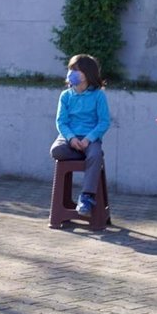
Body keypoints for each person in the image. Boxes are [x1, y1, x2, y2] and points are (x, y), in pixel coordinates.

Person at [50, 54, 111, 216]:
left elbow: (104, 122)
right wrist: (71, 139)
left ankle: (87, 197)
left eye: (76, 70)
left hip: (90, 139)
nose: (71, 73)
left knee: (95, 153)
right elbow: (61, 122)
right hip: (69, 138)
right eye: (70, 69)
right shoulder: (65, 96)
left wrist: (88, 139)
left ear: (87, 73)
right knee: (56, 151)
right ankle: (88, 156)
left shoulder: (98, 96)